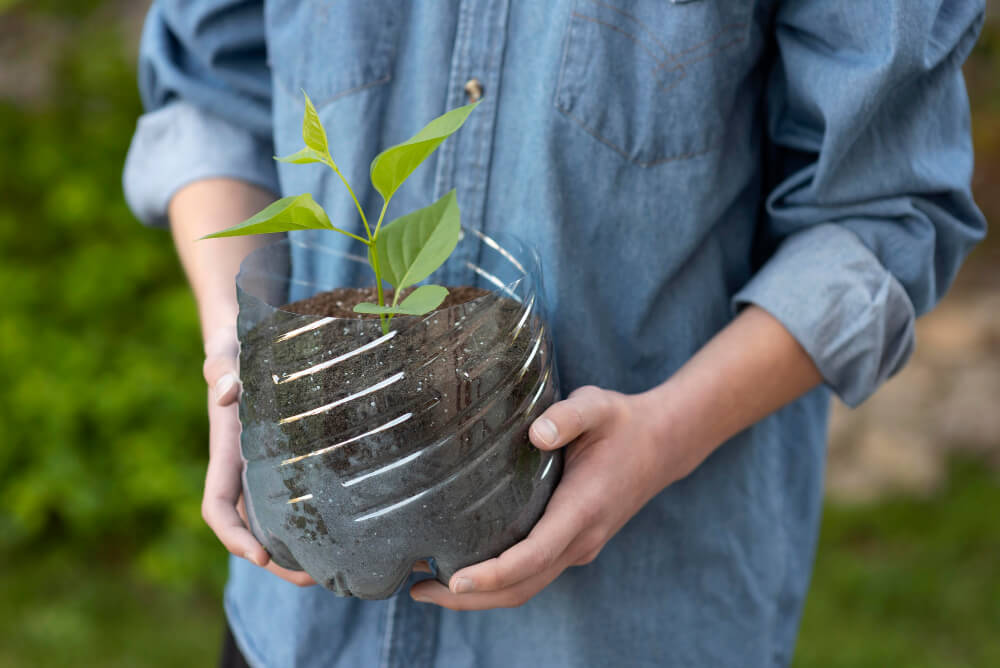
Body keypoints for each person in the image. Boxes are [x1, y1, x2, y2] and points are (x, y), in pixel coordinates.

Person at [123, 1, 987, 666]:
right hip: (299, 629)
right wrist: (234, 355)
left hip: (626, 623)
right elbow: (209, 92)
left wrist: (667, 434)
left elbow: (884, 213)